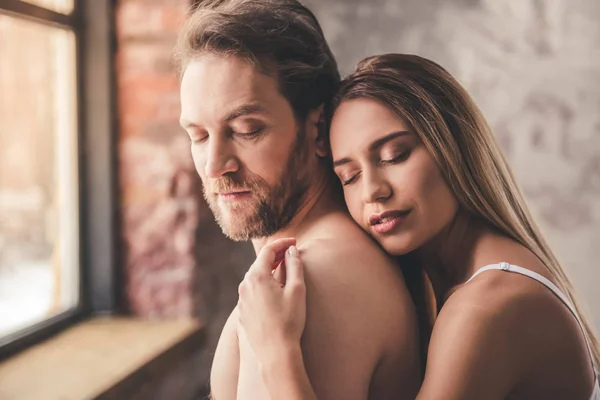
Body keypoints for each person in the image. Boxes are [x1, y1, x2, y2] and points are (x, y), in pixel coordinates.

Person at [236, 53, 600, 399]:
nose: (373, 191)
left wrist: (277, 350)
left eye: (395, 156)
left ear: (453, 146)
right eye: (348, 176)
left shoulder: (486, 308)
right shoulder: (455, 279)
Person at [175, 1, 421, 399]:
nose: (215, 164)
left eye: (246, 129)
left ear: (318, 127)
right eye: (199, 136)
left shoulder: (312, 280)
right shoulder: (298, 269)